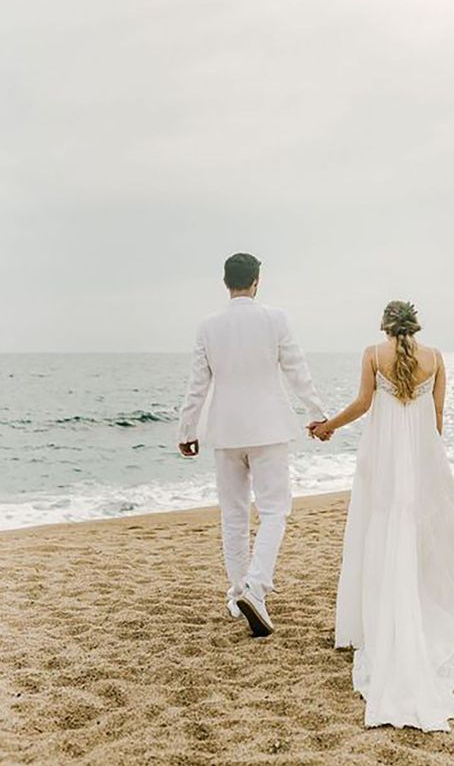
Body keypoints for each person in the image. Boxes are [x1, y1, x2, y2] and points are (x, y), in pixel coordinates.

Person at [309, 300, 454, 732]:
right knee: (421, 533)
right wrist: (429, 462)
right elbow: (437, 418)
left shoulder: (372, 354)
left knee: (381, 530)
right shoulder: (436, 358)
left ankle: (382, 613)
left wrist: (329, 425)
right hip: (421, 460)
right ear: (416, 325)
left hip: (382, 461)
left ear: (384, 326)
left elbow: (364, 404)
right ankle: (419, 605)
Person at [177, 252, 327, 638]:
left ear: (225, 283)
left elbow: (198, 385)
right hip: (269, 428)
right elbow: (297, 370)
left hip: (225, 431)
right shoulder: (275, 319)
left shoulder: (208, 326)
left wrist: (186, 430)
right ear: (257, 281)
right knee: (275, 511)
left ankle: (238, 592)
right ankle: (255, 588)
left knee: (234, 515)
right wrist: (317, 413)